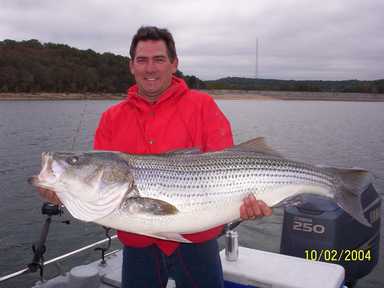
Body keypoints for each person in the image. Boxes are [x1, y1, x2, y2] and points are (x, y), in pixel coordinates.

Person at [38, 26, 272, 288]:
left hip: (197, 242)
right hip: (138, 244)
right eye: (142, 60)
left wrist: (250, 203)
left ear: (174, 64)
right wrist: (65, 192)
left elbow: (230, 167)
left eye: (159, 59)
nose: (150, 68)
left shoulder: (202, 106)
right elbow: (97, 189)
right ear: (131, 66)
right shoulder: (111, 118)